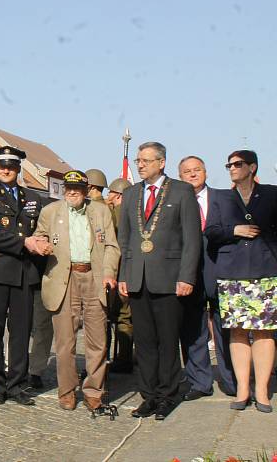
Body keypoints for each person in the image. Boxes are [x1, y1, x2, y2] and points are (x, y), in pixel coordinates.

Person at [117, 141, 202, 420]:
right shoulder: (130, 195)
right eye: (138, 160)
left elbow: (191, 239)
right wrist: (123, 276)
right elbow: (125, 240)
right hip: (138, 279)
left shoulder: (181, 191)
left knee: (167, 341)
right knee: (144, 342)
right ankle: (148, 395)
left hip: (169, 279)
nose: (139, 165)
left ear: (161, 162)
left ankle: (168, 395)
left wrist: (186, 276)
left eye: (145, 160)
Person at [33, 170, 120, 411]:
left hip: (94, 276)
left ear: (86, 190)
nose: (72, 192)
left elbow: (112, 246)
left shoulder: (101, 211)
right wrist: (40, 244)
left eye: (77, 188)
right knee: (65, 342)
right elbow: (38, 237)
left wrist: (110, 273)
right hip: (64, 277)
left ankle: (94, 392)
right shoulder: (50, 212)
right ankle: (67, 391)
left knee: (97, 340)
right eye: (68, 188)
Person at [0, 146, 48, 406]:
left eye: (11, 166)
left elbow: (42, 229)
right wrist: (26, 242)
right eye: (2, 165)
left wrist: (43, 242)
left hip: (24, 274)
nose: (6, 170)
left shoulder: (33, 198)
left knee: (20, 332)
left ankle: (17, 385)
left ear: (19, 169)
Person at [205, 150, 277, 413]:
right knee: (236, 331)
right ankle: (243, 390)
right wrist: (234, 230)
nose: (232, 168)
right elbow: (210, 231)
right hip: (233, 273)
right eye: (229, 165)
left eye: (237, 164)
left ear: (252, 167)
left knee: (263, 332)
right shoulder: (222, 198)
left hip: (265, 272)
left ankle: (262, 392)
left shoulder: (271, 194)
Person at [177, 156, 220, 400]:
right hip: (188, 273)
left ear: (205, 172)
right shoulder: (176, 201)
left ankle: (230, 378)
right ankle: (199, 381)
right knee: (193, 329)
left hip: (219, 270)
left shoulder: (223, 198)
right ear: (180, 176)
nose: (193, 174)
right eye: (187, 172)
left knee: (224, 328)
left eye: (197, 170)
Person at [105, 177, 135, 374]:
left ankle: (108, 360)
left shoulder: (111, 212)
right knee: (126, 318)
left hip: (113, 270)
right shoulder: (136, 213)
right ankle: (125, 357)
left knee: (107, 317)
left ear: (116, 195)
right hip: (130, 271)